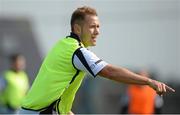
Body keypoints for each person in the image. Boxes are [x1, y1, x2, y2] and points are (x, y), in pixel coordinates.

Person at [20, 6, 175, 115]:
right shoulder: (76, 51)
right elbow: (110, 72)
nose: (98, 32)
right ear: (77, 28)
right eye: (93, 26)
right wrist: (148, 81)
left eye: (98, 26)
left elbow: (55, 97)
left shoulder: (63, 45)